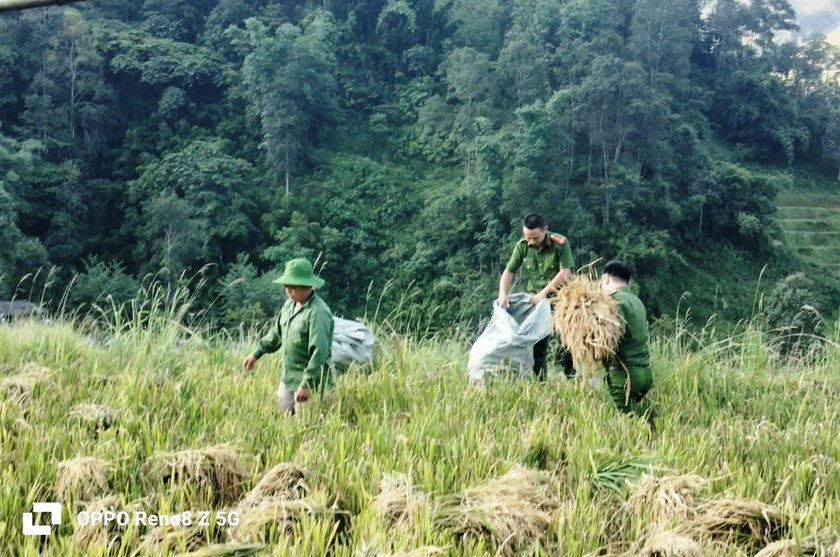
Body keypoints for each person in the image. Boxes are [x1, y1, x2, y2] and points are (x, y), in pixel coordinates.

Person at [242, 258, 334, 414]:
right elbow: (276, 334)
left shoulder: (318, 313)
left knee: (307, 427)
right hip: (288, 378)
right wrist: (256, 353)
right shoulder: (289, 305)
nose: (288, 291)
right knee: (285, 420)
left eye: (293, 287)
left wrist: (307, 385)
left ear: (307, 286)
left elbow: (319, 352)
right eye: (286, 287)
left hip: (310, 381)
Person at [498, 213, 575, 379]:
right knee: (537, 343)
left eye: (535, 237)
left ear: (545, 230)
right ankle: (540, 381)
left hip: (561, 299)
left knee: (566, 342)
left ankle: (571, 377)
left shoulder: (560, 243)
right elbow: (508, 272)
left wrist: (544, 292)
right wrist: (503, 293)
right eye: (528, 237)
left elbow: (565, 272)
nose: (531, 241)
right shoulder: (522, 246)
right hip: (535, 302)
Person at [600, 260, 653, 417]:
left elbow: (612, 337)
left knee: (626, 427)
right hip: (645, 374)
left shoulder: (613, 301)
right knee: (637, 419)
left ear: (606, 279)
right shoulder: (637, 301)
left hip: (624, 376)